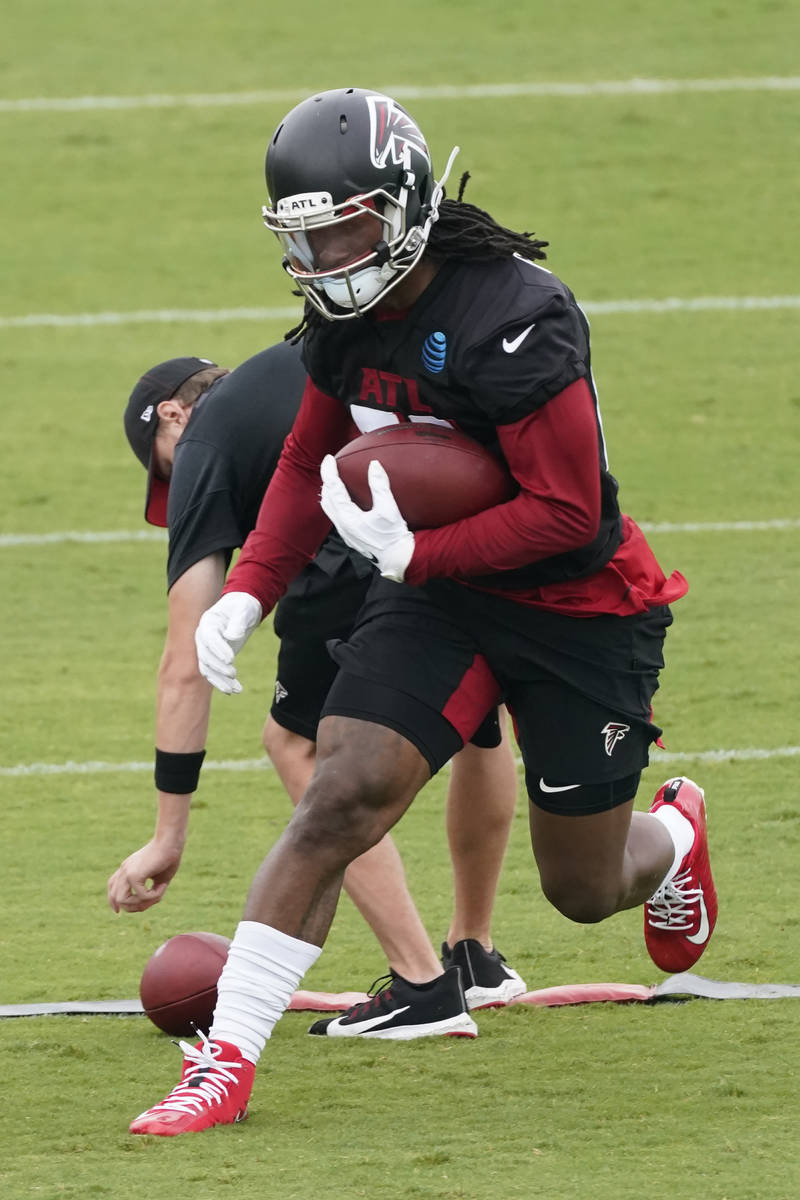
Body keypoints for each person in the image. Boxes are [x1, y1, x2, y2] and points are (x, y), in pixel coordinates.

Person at [128, 87, 717, 1137]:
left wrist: (418, 548)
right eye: (304, 238)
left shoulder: (515, 314)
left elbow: (567, 511)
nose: (325, 259)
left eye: (343, 227)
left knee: (580, 888)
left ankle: (670, 837)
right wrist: (250, 591)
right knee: (339, 794)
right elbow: (310, 452)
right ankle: (223, 1064)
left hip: (573, 605)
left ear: (401, 205)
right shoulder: (340, 316)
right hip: (438, 599)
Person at [107, 342, 526, 1036]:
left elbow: (185, 661)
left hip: (348, 548)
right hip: (457, 520)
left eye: (162, 466)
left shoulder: (206, 443)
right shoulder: (312, 357)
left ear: (174, 416)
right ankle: (475, 956)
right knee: (476, 720)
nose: (174, 483)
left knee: (296, 742)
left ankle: (423, 986)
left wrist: (167, 835)